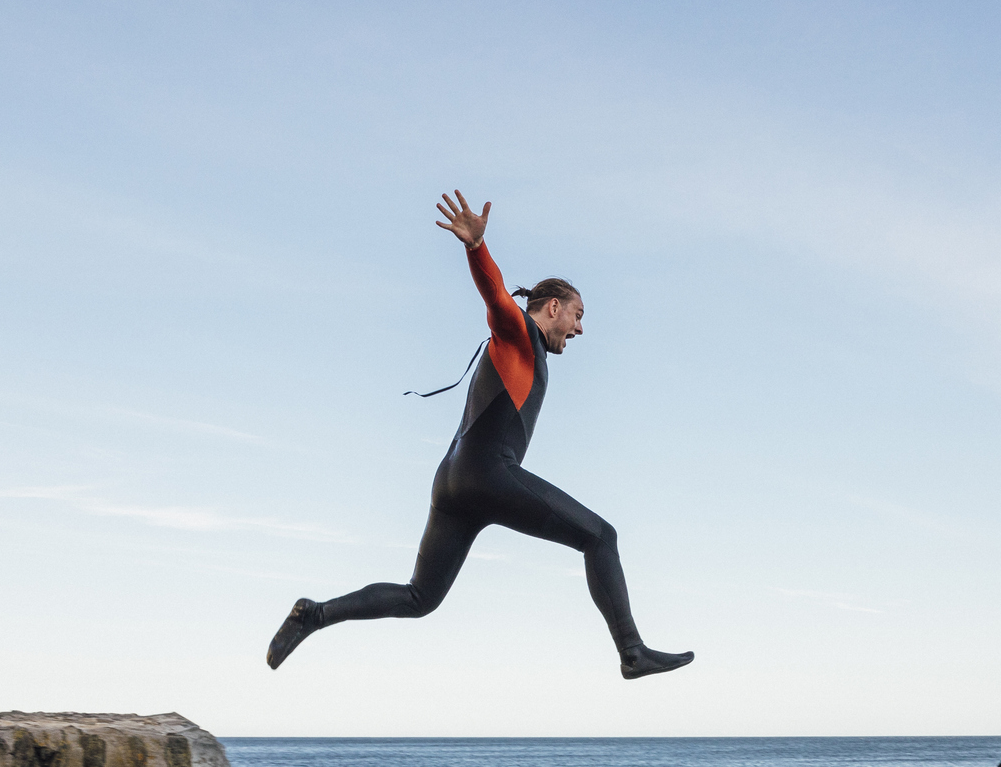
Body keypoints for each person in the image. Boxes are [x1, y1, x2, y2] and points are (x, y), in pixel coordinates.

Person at [265, 191, 695, 680]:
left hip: (451, 483)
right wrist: (476, 248)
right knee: (601, 537)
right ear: (553, 307)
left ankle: (313, 614)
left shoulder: (522, 349)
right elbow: (496, 300)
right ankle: (632, 651)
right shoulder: (519, 335)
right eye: (578, 316)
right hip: (488, 474)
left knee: (419, 597)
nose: (578, 330)